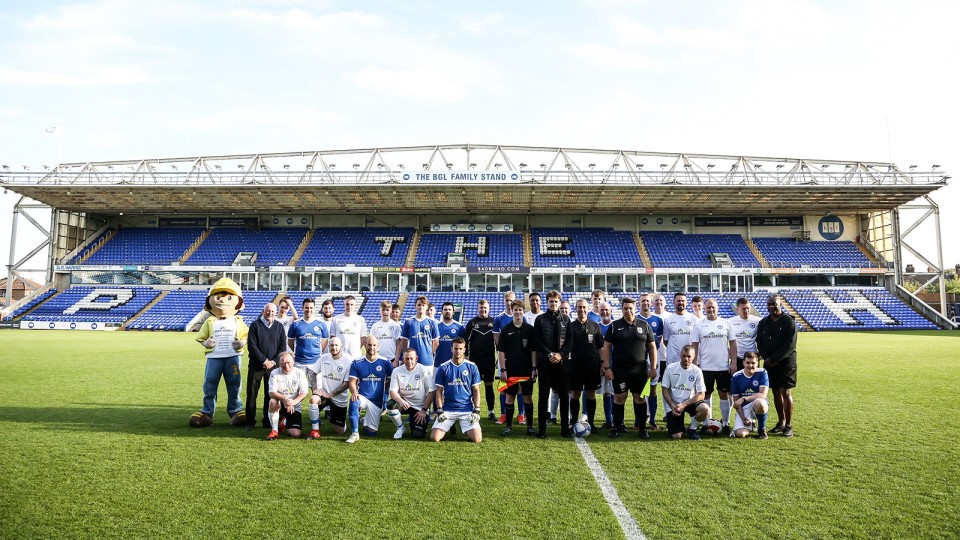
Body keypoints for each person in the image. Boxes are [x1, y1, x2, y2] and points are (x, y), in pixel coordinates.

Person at [601, 297, 657, 439]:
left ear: (635, 308)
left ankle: (642, 428)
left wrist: (654, 367)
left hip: (640, 370)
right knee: (620, 397)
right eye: (625, 308)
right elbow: (606, 347)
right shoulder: (614, 326)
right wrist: (607, 367)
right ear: (622, 309)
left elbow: (652, 347)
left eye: (630, 308)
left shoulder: (644, 325)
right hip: (620, 370)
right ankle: (617, 426)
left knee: (640, 398)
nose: (628, 311)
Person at [691, 298, 737, 435]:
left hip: (723, 366)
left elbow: (733, 344)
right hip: (705, 367)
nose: (711, 310)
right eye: (708, 308)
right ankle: (706, 423)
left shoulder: (726, 323)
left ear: (717, 308)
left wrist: (733, 362)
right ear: (704, 309)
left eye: (713, 307)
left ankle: (726, 423)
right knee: (706, 394)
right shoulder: (699, 324)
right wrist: (695, 363)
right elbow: (695, 345)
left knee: (724, 394)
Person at [757, 294, 798, 437]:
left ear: (780, 304)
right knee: (775, 392)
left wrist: (774, 358)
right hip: (769, 363)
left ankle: (788, 425)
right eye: (769, 304)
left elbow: (790, 344)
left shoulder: (789, 322)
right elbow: (759, 342)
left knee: (786, 392)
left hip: (786, 363)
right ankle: (781, 423)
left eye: (774, 304)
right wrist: (767, 359)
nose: (771, 306)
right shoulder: (763, 322)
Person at [533, 290, 573, 438]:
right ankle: (542, 430)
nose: (554, 304)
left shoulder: (566, 319)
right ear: (547, 302)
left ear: (559, 302)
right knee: (543, 397)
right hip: (545, 364)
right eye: (551, 301)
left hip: (562, 365)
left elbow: (570, 342)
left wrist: (560, 354)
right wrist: (550, 354)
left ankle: (564, 429)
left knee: (564, 396)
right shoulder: (540, 319)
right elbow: (537, 341)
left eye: (556, 301)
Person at [431, 338, 483, 443]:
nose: (458, 351)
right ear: (451, 349)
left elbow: (476, 390)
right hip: (448, 410)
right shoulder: (443, 367)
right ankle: (450, 425)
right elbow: (439, 391)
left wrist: (476, 410)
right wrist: (440, 410)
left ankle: (462, 425)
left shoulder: (472, 367)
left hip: (467, 409)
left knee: (477, 439)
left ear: (464, 350)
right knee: (435, 438)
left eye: (460, 349)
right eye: (455, 348)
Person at [497, 300, 537, 436]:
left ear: (523, 311)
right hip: (511, 370)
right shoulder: (506, 330)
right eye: (515, 310)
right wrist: (503, 369)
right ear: (512, 311)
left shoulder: (530, 330)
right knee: (509, 398)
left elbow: (533, 350)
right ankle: (509, 427)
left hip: (526, 369)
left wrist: (534, 368)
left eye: (520, 310)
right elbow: (501, 351)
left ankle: (530, 426)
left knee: (527, 397)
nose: (518, 312)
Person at [246, 302, 287, 431]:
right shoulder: (255, 325)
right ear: (263, 311)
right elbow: (252, 347)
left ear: (276, 313)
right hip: (256, 366)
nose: (270, 313)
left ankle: (267, 421)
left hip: (273, 368)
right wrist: (264, 360)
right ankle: (250, 422)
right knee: (252, 394)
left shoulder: (279, 327)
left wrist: (273, 361)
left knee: (270, 395)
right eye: (268, 311)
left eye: (273, 311)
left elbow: (282, 348)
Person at [345, 335, 394, 443]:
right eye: (369, 345)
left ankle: (364, 422)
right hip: (362, 396)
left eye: (374, 345)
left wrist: (383, 388)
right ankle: (355, 433)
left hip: (377, 401)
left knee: (371, 433)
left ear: (378, 346)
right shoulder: (357, 362)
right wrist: (354, 392)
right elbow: (352, 382)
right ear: (365, 345)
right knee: (354, 401)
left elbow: (392, 380)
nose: (371, 347)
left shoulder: (386, 362)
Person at [304, 336, 353, 439]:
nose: (334, 347)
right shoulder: (324, 358)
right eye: (331, 345)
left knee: (339, 431)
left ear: (341, 347)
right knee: (313, 399)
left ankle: (340, 421)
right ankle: (315, 430)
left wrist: (331, 394)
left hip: (339, 399)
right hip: (324, 395)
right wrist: (315, 390)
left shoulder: (348, 362)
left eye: (336, 345)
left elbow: (346, 383)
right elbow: (312, 373)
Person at [569, 299, 604, 432]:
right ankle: (573, 422)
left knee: (591, 394)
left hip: (592, 365)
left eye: (584, 307)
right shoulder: (571, 326)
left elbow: (600, 347)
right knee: (575, 394)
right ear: (575, 308)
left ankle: (592, 422)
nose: (581, 310)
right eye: (579, 307)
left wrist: (602, 364)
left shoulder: (595, 326)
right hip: (576, 365)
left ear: (588, 309)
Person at [661, 345, 709, 440]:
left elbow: (701, 394)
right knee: (676, 436)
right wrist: (672, 406)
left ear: (694, 356)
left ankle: (692, 428)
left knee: (705, 409)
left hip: (689, 403)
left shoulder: (697, 371)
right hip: (674, 405)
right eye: (684, 356)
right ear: (680, 355)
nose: (686, 359)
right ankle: (679, 427)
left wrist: (684, 404)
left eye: (689, 356)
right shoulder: (670, 368)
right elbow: (664, 389)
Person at [387, 348, 436, 439]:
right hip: (404, 403)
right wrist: (401, 401)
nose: (409, 361)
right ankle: (400, 428)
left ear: (416, 358)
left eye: (411, 359)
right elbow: (392, 392)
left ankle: (416, 424)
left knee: (418, 435)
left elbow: (431, 392)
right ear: (403, 358)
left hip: (420, 407)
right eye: (407, 359)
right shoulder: (396, 371)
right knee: (390, 405)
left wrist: (424, 410)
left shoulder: (423, 370)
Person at [494, 291, 527, 424]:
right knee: (504, 386)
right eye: (507, 300)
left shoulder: (521, 316)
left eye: (511, 300)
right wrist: (503, 353)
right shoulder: (499, 318)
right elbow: (496, 338)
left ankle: (521, 414)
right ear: (504, 301)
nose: (509, 303)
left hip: (517, 358)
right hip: (504, 357)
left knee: (519, 385)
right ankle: (503, 414)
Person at [464, 298, 498, 421]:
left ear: (488, 309)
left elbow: (497, 341)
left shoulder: (494, 321)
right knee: (473, 386)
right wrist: (466, 356)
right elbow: (465, 341)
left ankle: (491, 412)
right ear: (477, 309)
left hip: (489, 358)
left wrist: (499, 357)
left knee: (489, 385)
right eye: (481, 308)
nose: (483, 310)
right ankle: (473, 409)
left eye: (485, 308)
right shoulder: (472, 323)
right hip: (474, 360)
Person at [266, 351, 309, 440]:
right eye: (283, 363)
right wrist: (285, 399)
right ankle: (274, 431)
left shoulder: (300, 373)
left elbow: (304, 393)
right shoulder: (274, 373)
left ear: (293, 362)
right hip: (280, 404)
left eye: (288, 363)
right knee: (273, 401)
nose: (286, 366)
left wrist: (293, 402)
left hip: (294, 405)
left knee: (296, 434)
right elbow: (272, 393)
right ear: (279, 363)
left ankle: (285, 422)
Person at [637, 293, 664, 431]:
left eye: (647, 301)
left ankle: (652, 420)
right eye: (643, 301)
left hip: (653, 357)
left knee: (652, 389)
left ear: (651, 303)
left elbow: (658, 341)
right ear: (639, 303)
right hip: (639, 357)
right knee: (639, 390)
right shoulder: (635, 318)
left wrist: (653, 357)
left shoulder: (658, 320)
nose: (645, 303)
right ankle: (639, 420)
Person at [730, 352, 770, 439]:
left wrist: (744, 398)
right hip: (744, 408)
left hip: (757, 403)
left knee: (760, 403)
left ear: (757, 363)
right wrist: (743, 417)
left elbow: (763, 395)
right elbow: (736, 402)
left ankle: (761, 430)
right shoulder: (736, 376)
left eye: (753, 363)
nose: (750, 365)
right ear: (743, 362)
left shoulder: (762, 372)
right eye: (748, 363)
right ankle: (751, 425)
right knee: (740, 434)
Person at [287, 298, 329, 372]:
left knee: (315, 384)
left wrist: (316, 350)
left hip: (315, 362)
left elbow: (325, 341)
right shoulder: (295, 324)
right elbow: (290, 342)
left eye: (311, 308)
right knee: (299, 383)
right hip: (299, 362)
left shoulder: (321, 323)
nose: (309, 310)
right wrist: (298, 351)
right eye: (306, 307)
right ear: (302, 308)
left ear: (314, 308)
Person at [400, 295, 439, 372]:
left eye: (423, 305)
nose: (421, 307)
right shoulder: (408, 322)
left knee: (427, 383)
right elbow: (404, 341)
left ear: (426, 307)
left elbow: (436, 342)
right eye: (419, 305)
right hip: (412, 361)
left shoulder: (432, 322)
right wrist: (407, 354)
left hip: (427, 361)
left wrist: (428, 352)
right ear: (415, 307)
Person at [728, 297, 761, 371]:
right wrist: (729, 352)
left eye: (748, 308)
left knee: (754, 382)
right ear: (737, 309)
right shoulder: (730, 321)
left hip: (752, 358)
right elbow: (723, 339)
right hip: (737, 358)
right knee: (737, 381)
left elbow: (763, 338)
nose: (746, 311)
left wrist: (760, 352)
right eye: (743, 309)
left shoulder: (758, 321)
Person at [330, 295, 367, 359]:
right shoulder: (336, 319)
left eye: (351, 304)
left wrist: (355, 349)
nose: (349, 307)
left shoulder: (360, 320)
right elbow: (333, 338)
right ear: (344, 305)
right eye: (347, 304)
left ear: (355, 305)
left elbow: (363, 338)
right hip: (340, 357)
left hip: (355, 357)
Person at [597, 301, 616, 429]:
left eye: (606, 310)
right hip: (601, 366)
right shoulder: (596, 327)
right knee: (606, 393)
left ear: (611, 311)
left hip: (615, 365)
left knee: (616, 393)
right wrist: (601, 365)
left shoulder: (615, 326)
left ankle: (616, 420)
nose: (604, 312)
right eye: (602, 310)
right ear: (598, 312)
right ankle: (608, 420)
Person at [369, 300, 402, 365]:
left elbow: (399, 345)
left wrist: (396, 360)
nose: (385, 312)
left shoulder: (396, 326)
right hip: (378, 360)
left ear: (390, 311)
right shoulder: (375, 326)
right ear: (380, 311)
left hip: (392, 360)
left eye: (387, 310)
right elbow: (371, 344)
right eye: (383, 310)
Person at [435, 301, 465, 366]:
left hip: (454, 363)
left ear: (453, 312)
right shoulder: (436, 326)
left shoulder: (459, 327)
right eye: (445, 309)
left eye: (449, 309)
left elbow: (464, 344)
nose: (447, 311)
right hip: (438, 363)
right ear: (442, 312)